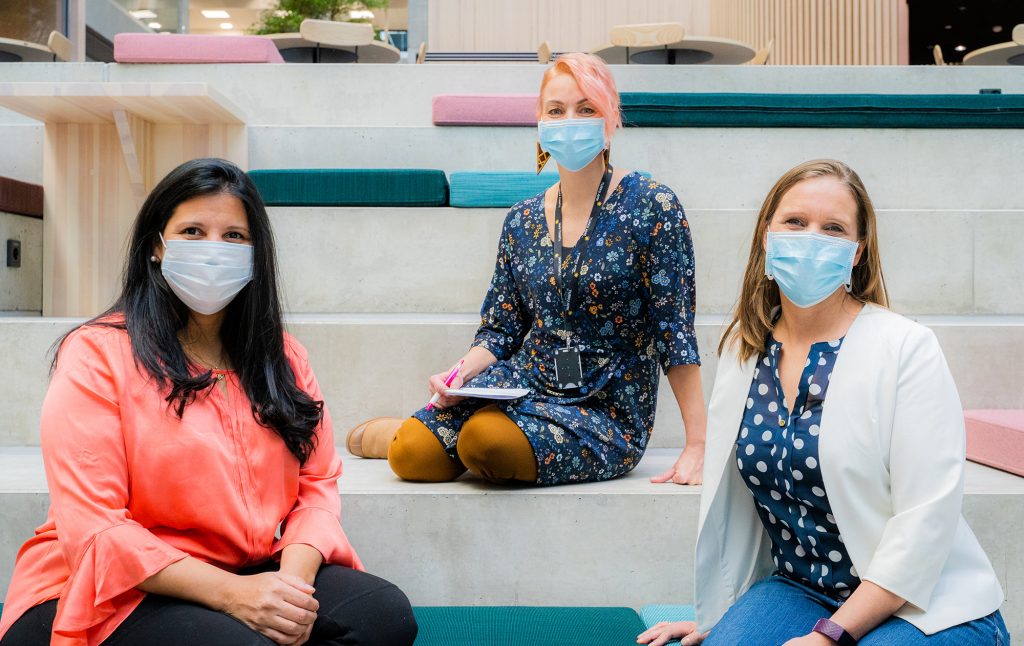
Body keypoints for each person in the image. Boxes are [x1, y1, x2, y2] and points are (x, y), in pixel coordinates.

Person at [0, 159, 417, 646]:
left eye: (234, 236)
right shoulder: (97, 353)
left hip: (248, 566)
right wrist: (235, 597)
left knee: (383, 616)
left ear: (256, 252)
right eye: (193, 231)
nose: (213, 250)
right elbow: (95, 526)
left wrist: (290, 587)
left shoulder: (281, 355)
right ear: (157, 245)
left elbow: (317, 487)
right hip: (114, 583)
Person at [638, 160, 1008, 646]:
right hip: (800, 588)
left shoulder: (906, 348)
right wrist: (725, 620)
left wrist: (831, 635)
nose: (812, 237)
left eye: (833, 228)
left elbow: (925, 521)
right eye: (795, 222)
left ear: (856, 253)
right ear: (766, 237)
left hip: (923, 602)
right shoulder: (744, 349)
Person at [347, 53, 707, 486]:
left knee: (485, 441)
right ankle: (397, 431)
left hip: (606, 404)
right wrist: (458, 375)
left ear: (610, 119)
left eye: (586, 108)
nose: (569, 119)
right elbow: (501, 328)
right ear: (540, 122)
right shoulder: (521, 219)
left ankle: (446, 434)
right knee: (411, 454)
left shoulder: (654, 206)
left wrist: (697, 444)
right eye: (556, 110)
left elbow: (675, 333)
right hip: (523, 382)